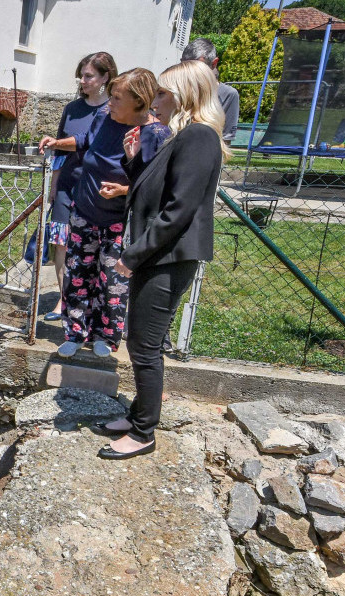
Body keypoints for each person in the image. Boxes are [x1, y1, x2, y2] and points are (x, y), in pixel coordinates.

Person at [96, 60, 230, 460]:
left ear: (185, 96)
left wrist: (132, 256)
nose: (157, 101)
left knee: (144, 344)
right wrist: (135, 160)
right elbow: (150, 192)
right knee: (141, 339)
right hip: (161, 253)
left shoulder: (199, 137)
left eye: (163, 93)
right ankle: (138, 413)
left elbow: (178, 211)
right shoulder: (182, 136)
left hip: (168, 256)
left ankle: (143, 432)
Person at [39, 68, 170, 359]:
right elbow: (86, 140)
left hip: (118, 222)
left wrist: (125, 190)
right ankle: (75, 332)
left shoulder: (156, 133)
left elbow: (158, 183)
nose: (109, 102)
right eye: (110, 95)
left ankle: (106, 338)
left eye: (116, 97)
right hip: (84, 211)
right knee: (77, 276)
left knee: (112, 282)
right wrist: (57, 143)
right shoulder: (104, 117)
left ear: (139, 101)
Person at [39, 52, 116, 322]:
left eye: (88, 76)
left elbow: (87, 143)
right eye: (81, 75)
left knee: (89, 246)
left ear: (105, 77)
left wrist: (58, 143)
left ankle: (90, 303)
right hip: (67, 184)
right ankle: (64, 300)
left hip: (96, 189)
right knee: (61, 243)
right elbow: (60, 150)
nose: (82, 80)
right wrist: (54, 185)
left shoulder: (113, 110)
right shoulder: (72, 109)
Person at [181, 38, 238, 143]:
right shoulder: (177, 89)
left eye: (197, 67)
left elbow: (225, 140)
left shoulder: (228, 95)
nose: (189, 73)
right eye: (184, 66)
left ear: (214, 63)